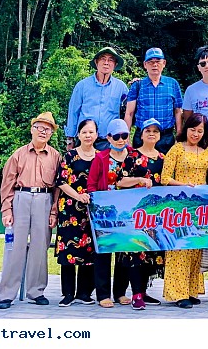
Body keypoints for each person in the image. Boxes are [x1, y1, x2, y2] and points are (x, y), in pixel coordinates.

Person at [0, 112, 61, 310]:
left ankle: (36, 291)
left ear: (51, 133)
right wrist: (6, 210)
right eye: (39, 128)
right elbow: (7, 184)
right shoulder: (18, 154)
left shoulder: (55, 156)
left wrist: (53, 211)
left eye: (47, 129)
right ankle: (7, 294)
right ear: (32, 129)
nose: (43, 132)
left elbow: (58, 187)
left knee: (40, 247)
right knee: (14, 247)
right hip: (21, 198)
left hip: (44, 198)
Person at [87, 119, 145, 309]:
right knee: (104, 252)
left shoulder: (136, 156)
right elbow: (92, 185)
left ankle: (120, 292)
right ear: (109, 137)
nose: (121, 140)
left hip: (129, 212)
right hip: (106, 213)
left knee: (125, 252)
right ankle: (103, 294)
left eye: (125, 136)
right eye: (117, 136)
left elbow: (145, 179)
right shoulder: (101, 158)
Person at [160, 113, 208, 309]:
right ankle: (177, 293)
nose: (196, 134)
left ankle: (191, 290)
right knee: (179, 249)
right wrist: (184, 185)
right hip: (179, 205)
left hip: (200, 208)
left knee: (195, 249)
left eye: (200, 131)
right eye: (193, 129)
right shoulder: (176, 149)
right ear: (186, 129)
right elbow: (164, 178)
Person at [55, 118, 97, 307]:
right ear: (79, 134)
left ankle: (84, 293)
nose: (88, 135)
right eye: (84, 132)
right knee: (69, 250)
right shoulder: (70, 156)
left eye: (91, 132)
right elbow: (61, 181)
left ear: (97, 134)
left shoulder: (101, 157)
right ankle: (68, 293)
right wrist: (79, 196)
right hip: (71, 209)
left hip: (93, 211)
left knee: (90, 251)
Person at [127, 117, 167, 306]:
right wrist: (139, 181)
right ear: (141, 134)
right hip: (136, 212)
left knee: (151, 252)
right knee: (137, 250)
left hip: (156, 214)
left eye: (156, 131)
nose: (152, 134)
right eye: (148, 131)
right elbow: (120, 181)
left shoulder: (162, 158)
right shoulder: (132, 156)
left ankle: (143, 291)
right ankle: (135, 294)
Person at [65, 47, 128, 151]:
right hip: (84, 141)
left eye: (111, 60)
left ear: (115, 65)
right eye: (103, 59)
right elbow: (73, 112)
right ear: (96, 62)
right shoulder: (82, 85)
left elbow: (129, 111)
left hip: (108, 142)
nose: (106, 63)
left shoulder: (121, 87)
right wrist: (70, 139)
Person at [124, 47, 183, 153]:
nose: (154, 65)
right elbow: (129, 113)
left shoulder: (172, 84)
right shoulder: (137, 85)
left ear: (164, 63)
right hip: (142, 136)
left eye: (158, 61)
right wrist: (126, 135)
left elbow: (178, 111)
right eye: (150, 62)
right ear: (145, 65)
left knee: (166, 168)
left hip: (166, 138)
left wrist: (179, 135)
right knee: (139, 168)